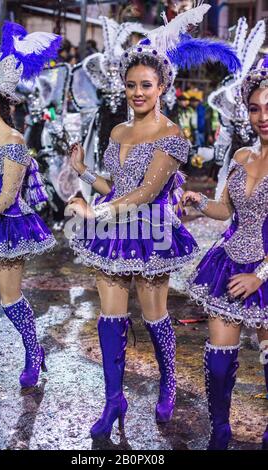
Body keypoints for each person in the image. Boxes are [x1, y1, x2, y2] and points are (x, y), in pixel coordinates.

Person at [66, 4, 240, 441]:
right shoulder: (117, 133)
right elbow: (113, 184)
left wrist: (96, 213)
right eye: (130, 86)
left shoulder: (172, 135)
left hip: (150, 233)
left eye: (145, 85)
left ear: (162, 86)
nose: (137, 93)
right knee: (110, 317)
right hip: (112, 230)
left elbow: (145, 192)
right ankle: (113, 401)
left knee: (154, 314)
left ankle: (168, 381)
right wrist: (83, 171)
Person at [0, 21, 61, 403]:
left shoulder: (15, 141)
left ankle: (34, 352)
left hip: (5, 226)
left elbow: (6, 196)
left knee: (9, 300)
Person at [182, 56, 268, 450]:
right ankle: (219, 431)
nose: (262, 116)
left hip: (263, 273)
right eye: (255, 108)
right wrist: (198, 202)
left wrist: (259, 277)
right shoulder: (239, 158)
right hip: (229, 263)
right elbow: (226, 210)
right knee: (218, 363)